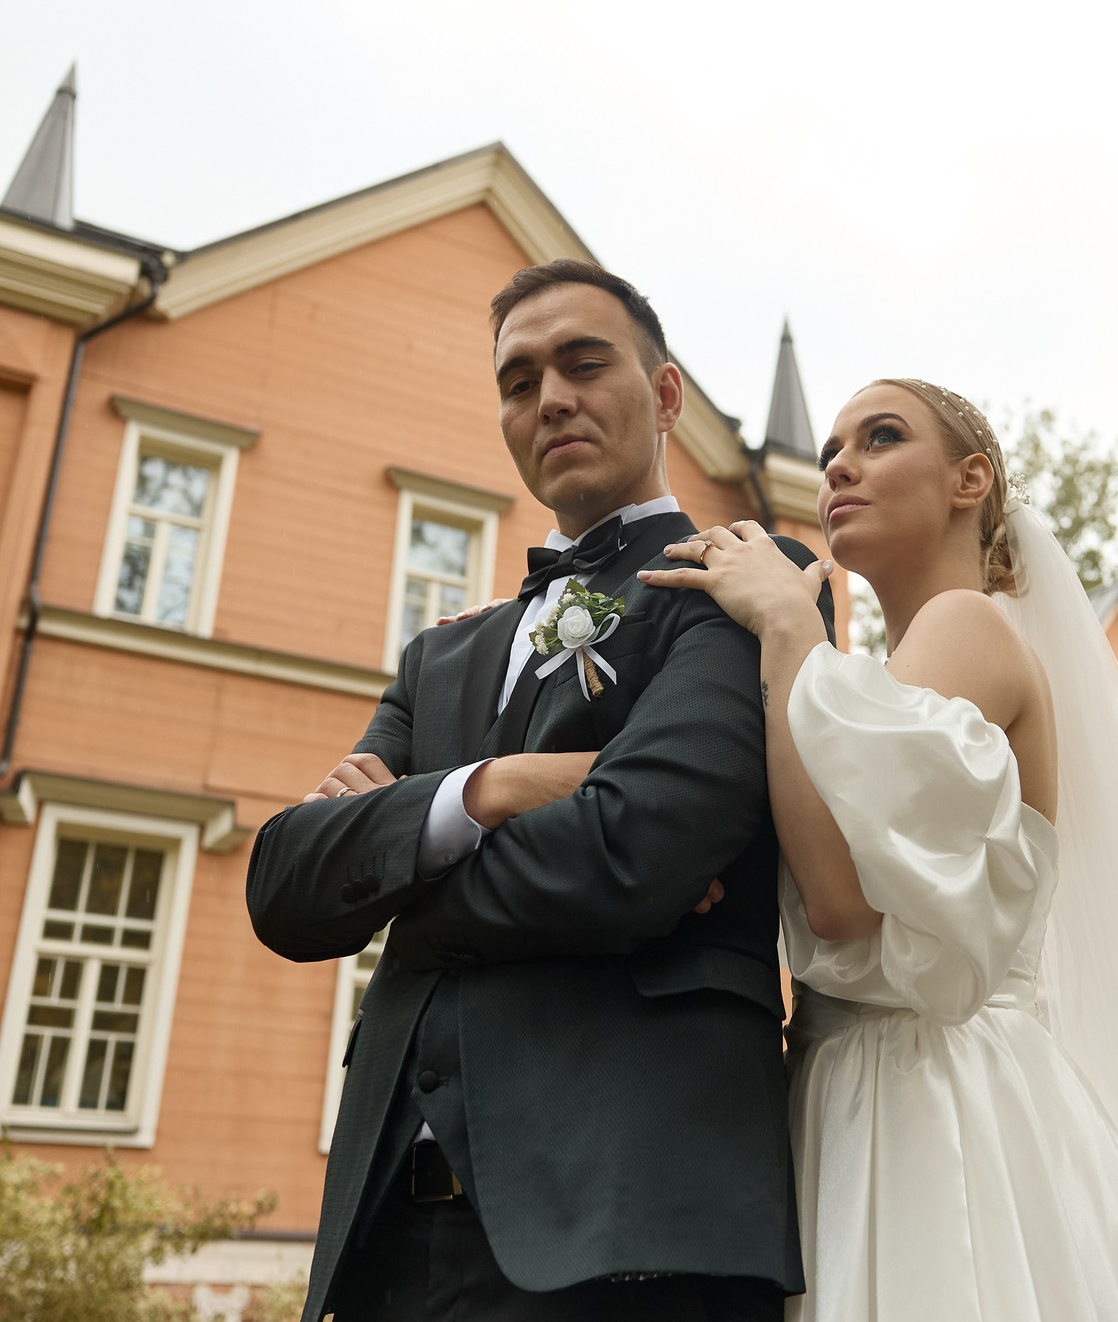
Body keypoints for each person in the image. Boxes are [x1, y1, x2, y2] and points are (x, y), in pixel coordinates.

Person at [635, 379, 1118, 1322]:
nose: (840, 461)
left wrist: (786, 624)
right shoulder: (875, 683)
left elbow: (844, 907)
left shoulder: (967, 627)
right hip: (859, 1089)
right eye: (836, 445)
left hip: (929, 1113)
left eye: (881, 437)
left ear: (971, 479)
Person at [245, 259, 830, 1322]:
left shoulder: (741, 583)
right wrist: (493, 788)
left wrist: (395, 872)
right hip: (387, 1246)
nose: (548, 395)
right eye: (518, 381)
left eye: (582, 362)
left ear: (663, 397)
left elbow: (633, 856)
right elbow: (283, 887)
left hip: (626, 1232)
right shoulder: (439, 657)